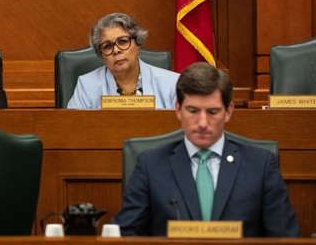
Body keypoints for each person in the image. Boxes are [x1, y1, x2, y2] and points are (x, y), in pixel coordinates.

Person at [113, 63, 299, 237]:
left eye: (212, 112)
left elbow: (286, 238)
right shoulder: (151, 165)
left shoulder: (260, 166)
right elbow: (125, 235)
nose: (202, 123)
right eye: (193, 111)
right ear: (178, 109)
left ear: (228, 111)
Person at [67, 13, 179, 109]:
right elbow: (71, 128)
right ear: (101, 54)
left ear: (138, 43)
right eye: (107, 46)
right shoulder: (86, 85)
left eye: (122, 41)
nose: (116, 50)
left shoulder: (172, 83)